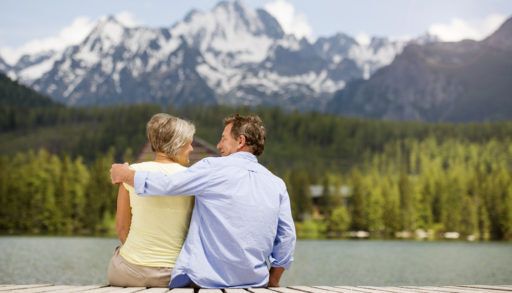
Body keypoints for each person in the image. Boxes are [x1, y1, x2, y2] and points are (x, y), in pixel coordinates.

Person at [110, 114, 296, 288]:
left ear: (240, 141)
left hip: (208, 282)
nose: (218, 145)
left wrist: (126, 174)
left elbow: (168, 184)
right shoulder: (277, 184)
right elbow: (287, 238)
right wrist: (273, 280)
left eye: (223, 138)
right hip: (256, 282)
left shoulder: (212, 168)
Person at [107, 113, 196, 287]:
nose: (192, 148)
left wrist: (142, 261)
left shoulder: (131, 173)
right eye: (189, 143)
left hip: (127, 274)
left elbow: (121, 228)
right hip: (174, 276)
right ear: (177, 144)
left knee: (119, 254)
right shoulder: (191, 179)